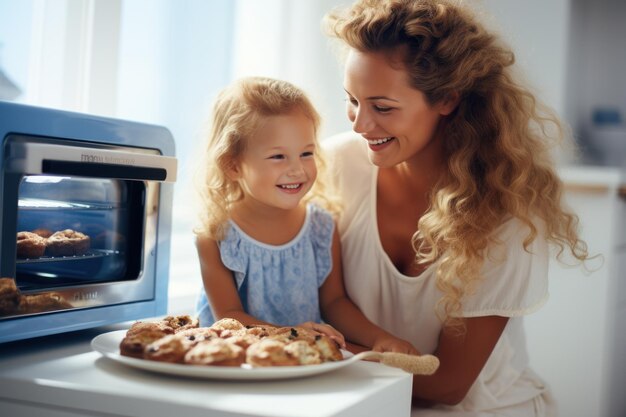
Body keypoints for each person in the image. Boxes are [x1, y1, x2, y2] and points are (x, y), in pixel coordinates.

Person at [322, 0, 591, 415]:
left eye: (382, 107)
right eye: (352, 100)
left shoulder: (506, 212)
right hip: (370, 403)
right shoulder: (335, 165)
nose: (360, 125)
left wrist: (320, 354)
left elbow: (447, 384)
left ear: (446, 99)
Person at [193, 76, 414, 351]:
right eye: (278, 157)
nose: (297, 169)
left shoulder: (320, 227)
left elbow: (334, 303)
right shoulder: (215, 235)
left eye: (306, 153)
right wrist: (291, 334)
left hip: (303, 363)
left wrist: (380, 338)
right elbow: (228, 317)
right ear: (233, 165)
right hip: (233, 364)